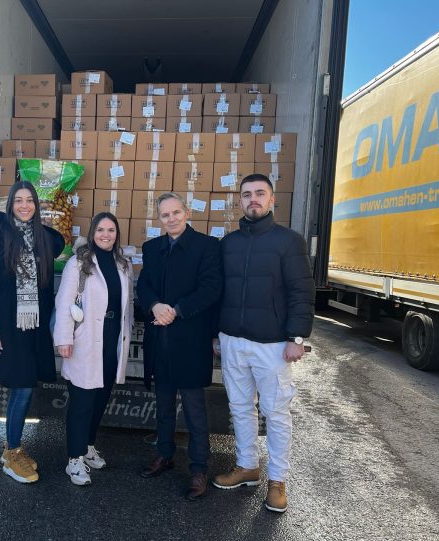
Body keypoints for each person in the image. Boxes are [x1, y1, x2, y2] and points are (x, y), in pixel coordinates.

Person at [212, 173, 315, 513]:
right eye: (246, 194)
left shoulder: (289, 241)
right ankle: (247, 467)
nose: (252, 199)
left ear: (272, 200)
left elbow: (302, 292)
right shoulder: (229, 244)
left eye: (260, 193)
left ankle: (277, 481)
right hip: (232, 340)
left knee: (275, 412)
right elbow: (219, 292)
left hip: (271, 345)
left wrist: (296, 337)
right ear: (239, 201)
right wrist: (216, 334)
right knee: (240, 407)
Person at [136, 192, 223, 501]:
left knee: (195, 410)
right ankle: (164, 454)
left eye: (176, 212)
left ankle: (199, 469)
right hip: (160, 339)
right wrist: (155, 305)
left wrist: (177, 310)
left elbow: (211, 288)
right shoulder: (152, 248)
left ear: (186, 212)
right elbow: (144, 284)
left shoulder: (207, 246)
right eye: (165, 215)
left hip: (190, 339)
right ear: (159, 219)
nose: (171, 218)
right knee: (163, 406)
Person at [0, 180, 64, 484]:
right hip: (8, 324)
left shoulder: (42, 238)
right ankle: (12, 452)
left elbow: (59, 242)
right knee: (22, 386)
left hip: (35, 325)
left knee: (25, 384)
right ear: (10, 204)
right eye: (18, 200)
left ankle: (11, 447)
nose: (24, 205)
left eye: (30, 200)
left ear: (36, 206)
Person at [54, 213, 134, 486]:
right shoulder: (79, 263)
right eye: (100, 229)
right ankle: (74, 460)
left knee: (101, 397)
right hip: (85, 339)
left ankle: (87, 447)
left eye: (111, 230)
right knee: (82, 401)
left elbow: (126, 306)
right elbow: (64, 303)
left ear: (117, 234)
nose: (105, 235)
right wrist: (64, 339)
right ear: (92, 233)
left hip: (112, 339)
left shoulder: (123, 265)